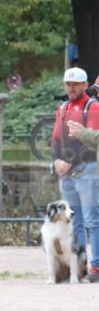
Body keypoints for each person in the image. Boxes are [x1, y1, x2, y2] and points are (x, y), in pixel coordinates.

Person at [52, 67, 99, 282]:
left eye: (75, 84)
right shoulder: (62, 108)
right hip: (67, 173)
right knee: (74, 221)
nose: (70, 88)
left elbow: (91, 142)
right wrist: (56, 160)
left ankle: (96, 267)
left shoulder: (93, 106)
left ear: (85, 85)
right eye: (67, 84)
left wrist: (69, 161)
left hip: (88, 169)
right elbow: (55, 139)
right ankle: (79, 265)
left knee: (92, 220)